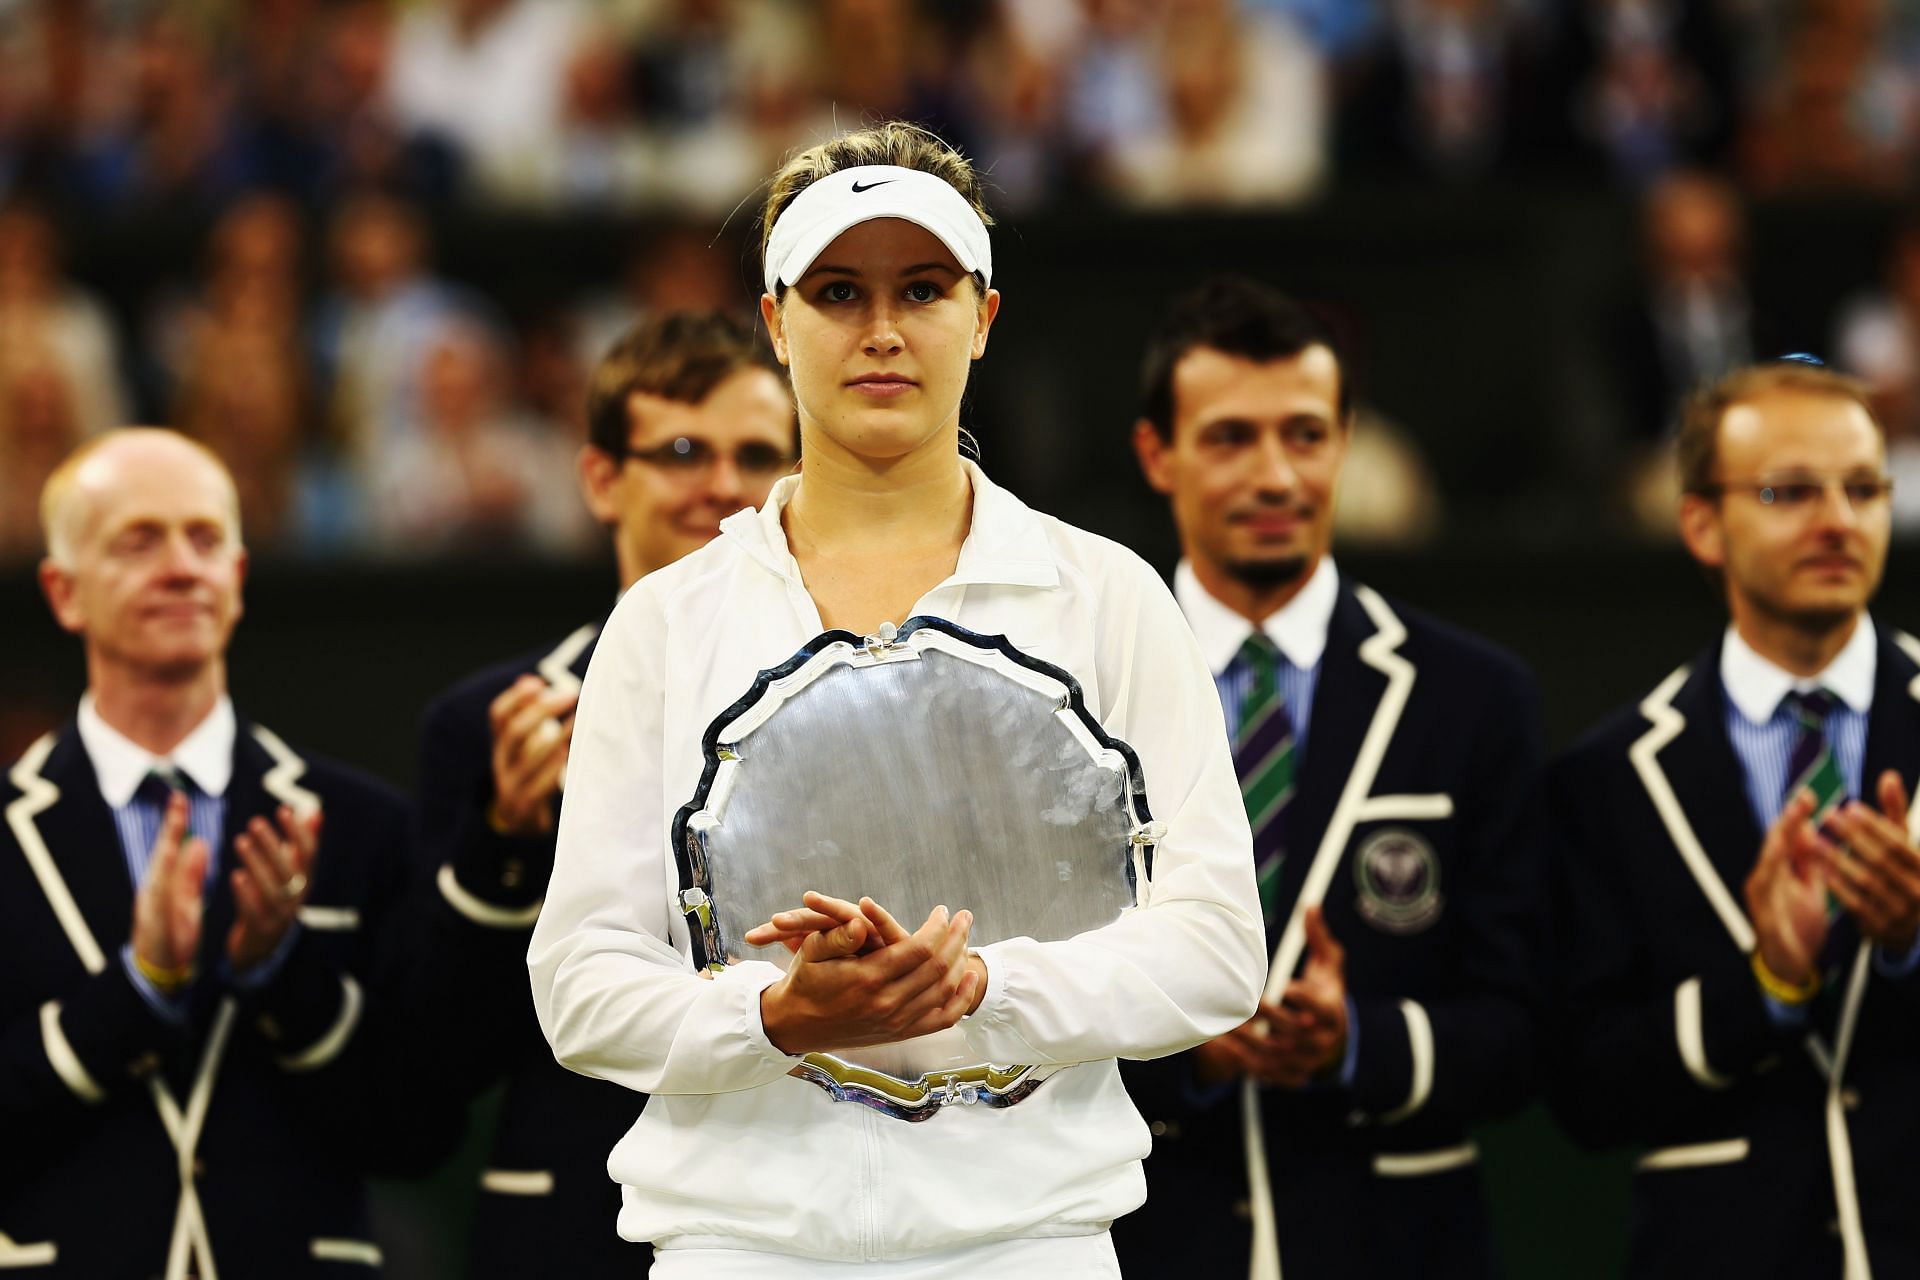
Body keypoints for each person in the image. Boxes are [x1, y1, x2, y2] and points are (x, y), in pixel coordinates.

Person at [526, 120, 1265, 1277]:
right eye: (835, 292)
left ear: (984, 314)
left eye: (922, 289)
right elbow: (580, 984)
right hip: (739, 1247)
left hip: (1033, 1244)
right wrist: (779, 1016)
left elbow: (1217, 949)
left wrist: (981, 985)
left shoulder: (1107, 594)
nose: (880, 332)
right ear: (774, 322)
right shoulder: (666, 620)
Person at [1113, 277, 1544, 1279]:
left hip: (1393, 1237)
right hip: (1150, 1238)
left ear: (1347, 441)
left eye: (1305, 434)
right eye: (1230, 438)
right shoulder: (1077, 687)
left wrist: (1358, 1039)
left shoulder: (1473, 696)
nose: (1275, 474)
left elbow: (1524, 1028)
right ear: (1156, 454)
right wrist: (1195, 1052)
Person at [0, 428, 451, 1277]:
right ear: (63, 593)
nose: (181, 567)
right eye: (138, 541)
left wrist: (281, 970)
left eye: (205, 539)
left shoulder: (362, 825)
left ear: (239, 579)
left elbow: (418, 1130)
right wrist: (138, 992)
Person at [413, 309, 796, 1279]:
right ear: (597, 477)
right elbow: (433, 1067)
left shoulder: (878, 703)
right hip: (582, 1217)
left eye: (757, 452)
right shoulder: (487, 723)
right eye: (679, 449)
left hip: (808, 1204)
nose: (720, 484)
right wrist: (502, 844)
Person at [1549, 360, 1920, 1277]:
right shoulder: (1611, 776)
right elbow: (1584, 1093)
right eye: (1790, 491)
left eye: (1865, 488)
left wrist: (1913, 941)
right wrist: (1768, 985)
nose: (1839, 520)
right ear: (1702, 523)